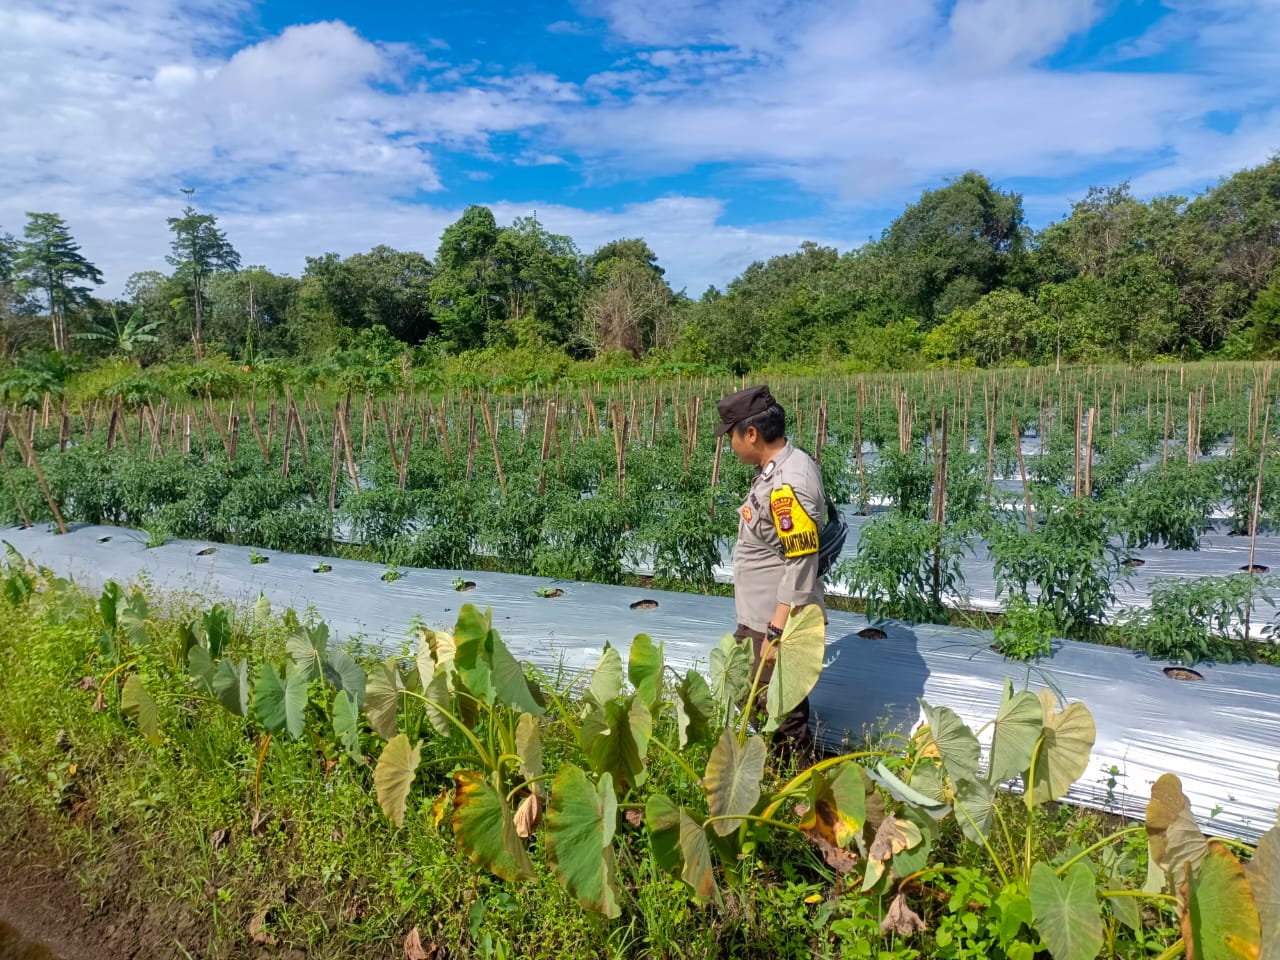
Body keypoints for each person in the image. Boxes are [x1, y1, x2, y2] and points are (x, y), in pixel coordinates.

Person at [715, 384, 826, 761]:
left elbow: (801, 559)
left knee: (780, 710)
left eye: (731, 436)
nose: (730, 445)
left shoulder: (788, 482)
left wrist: (777, 630)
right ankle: (786, 771)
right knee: (759, 695)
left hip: (772, 616)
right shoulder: (776, 468)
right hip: (759, 613)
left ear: (751, 434)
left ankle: (803, 781)